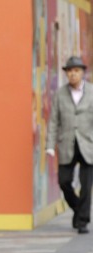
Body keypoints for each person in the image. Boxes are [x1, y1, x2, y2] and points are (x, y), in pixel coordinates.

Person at [46, 56, 93, 234]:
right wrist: (50, 145)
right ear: (66, 74)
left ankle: (82, 222)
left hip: (88, 145)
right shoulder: (60, 94)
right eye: (70, 71)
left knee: (86, 185)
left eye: (76, 71)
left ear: (82, 72)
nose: (73, 74)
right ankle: (78, 210)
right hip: (66, 144)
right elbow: (53, 121)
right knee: (64, 181)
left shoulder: (92, 91)